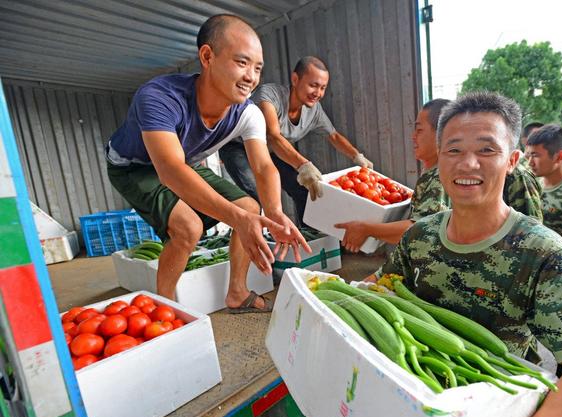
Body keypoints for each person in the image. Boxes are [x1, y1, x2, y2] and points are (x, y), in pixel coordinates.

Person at [371, 92, 562, 417]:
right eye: (453, 150)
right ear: (439, 161)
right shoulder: (418, 237)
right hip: (414, 414)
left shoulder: (543, 253)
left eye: (487, 150)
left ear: (513, 160)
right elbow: (378, 294)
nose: (468, 164)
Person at [106, 15, 309, 312]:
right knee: (188, 228)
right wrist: (237, 220)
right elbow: (170, 171)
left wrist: (276, 212)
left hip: (184, 161)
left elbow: (264, 167)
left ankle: (237, 293)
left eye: (257, 68)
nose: (251, 77)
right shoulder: (160, 97)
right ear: (207, 56)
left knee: (251, 208)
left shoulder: (246, 113)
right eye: (242, 63)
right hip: (135, 165)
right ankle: (166, 307)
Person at [219, 56, 372, 225]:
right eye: (313, 85)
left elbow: (333, 136)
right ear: (295, 79)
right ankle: (258, 242)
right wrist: (303, 165)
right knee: (257, 195)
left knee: (305, 190)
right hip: (238, 148)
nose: (318, 93)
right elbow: (273, 136)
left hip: (270, 151)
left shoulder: (314, 111)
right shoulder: (269, 95)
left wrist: (357, 156)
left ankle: (309, 242)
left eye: (322, 88)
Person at [333, 99, 450, 252]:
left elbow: (421, 230)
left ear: (441, 134)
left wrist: (367, 229)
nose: (413, 137)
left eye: (419, 130)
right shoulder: (433, 173)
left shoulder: (440, 178)